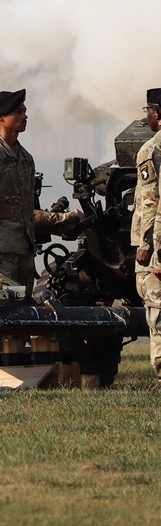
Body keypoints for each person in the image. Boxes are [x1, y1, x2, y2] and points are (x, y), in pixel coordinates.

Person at [0, 89, 79, 296]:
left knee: (24, 316)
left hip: (25, 251)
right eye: (18, 112)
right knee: (2, 314)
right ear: (0, 118)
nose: (25, 116)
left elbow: (28, 208)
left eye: (24, 111)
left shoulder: (26, 159)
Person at [131, 88, 161, 388]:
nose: (147, 116)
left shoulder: (151, 150)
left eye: (149, 110)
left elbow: (150, 200)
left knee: (156, 308)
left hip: (155, 246)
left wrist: (145, 245)